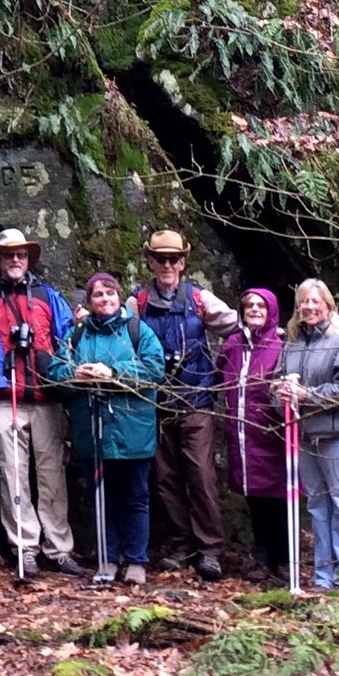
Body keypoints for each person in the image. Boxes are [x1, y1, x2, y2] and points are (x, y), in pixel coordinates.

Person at [42, 270, 166, 586]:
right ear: (90, 300)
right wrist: (75, 372)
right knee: (102, 497)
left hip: (133, 428)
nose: (105, 299)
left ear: (118, 296)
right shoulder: (78, 334)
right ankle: (108, 558)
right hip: (92, 429)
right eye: (98, 295)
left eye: (110, 294)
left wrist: (113, 371)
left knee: (136, 495)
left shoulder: (138, 331)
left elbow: (154, 369)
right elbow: (55, 370)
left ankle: (136, 560)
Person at [130, 229, 239, 581]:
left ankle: (209, 549)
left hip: (196, 400)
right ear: (149, 260)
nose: (167, 264)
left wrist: (269, 331)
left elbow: (235, 325)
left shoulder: (198, 299)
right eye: (160, 258)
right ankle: (181, 543)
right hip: (156, 403)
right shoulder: (138, 303)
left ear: (183, 261)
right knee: (165, 479)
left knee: (202, 476)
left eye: (173, 258)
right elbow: (115, 328)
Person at [0, 227, 81, 579]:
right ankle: (24, 546)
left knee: (53, 474)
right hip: (6, 398)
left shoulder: (48, 296)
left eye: (21, 254)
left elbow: (68, 339)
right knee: (12, 473)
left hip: (46, 395)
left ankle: (59, 547)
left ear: (28, 259)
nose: (15, 260)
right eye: (8, 255)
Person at [276, 279, 339, 592]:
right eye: (304, 301)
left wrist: (306, 395)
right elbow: (277, 385)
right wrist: (281, 394)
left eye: (316, 302)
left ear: (329, 305)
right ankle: (323, 578)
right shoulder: (293, 342)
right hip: (306, 437)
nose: (310, 307)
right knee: (317, 508)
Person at [219, 288, 289, 575]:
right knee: (254, 497)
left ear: (271, 311)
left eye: (261, 306)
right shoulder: (233, 344)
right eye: (250, 306)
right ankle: (260, 556)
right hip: (241, 433)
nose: (255, 310)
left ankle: (282, 558)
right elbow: (219, 375)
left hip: (270, 433)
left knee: (277, 495)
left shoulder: (282, 345)